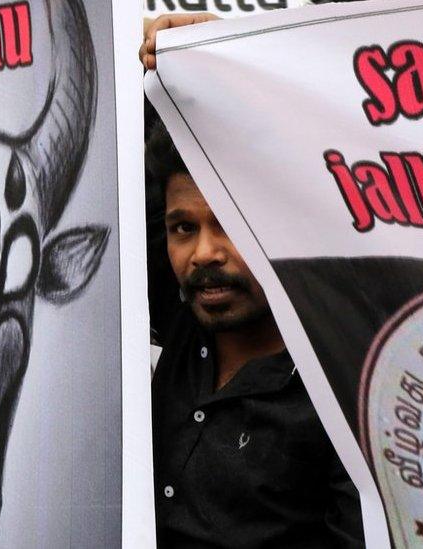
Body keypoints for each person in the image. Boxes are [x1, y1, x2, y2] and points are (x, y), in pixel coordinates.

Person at [145, 119, 365, 547]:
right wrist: (169, 67)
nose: (205, 253)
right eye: (184, 228)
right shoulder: (183, 320)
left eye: (231, 222)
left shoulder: (343, 394)